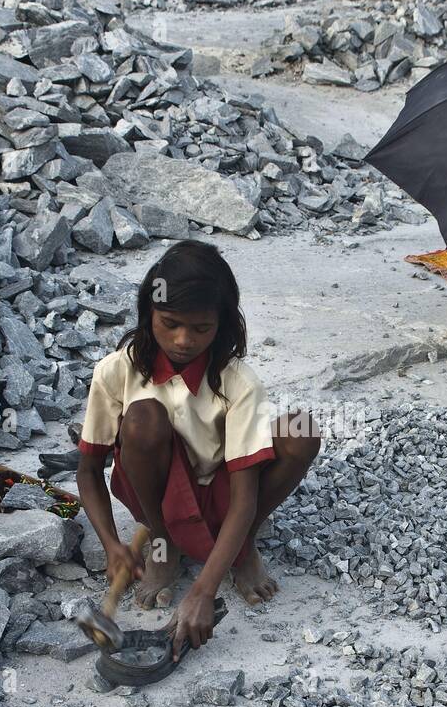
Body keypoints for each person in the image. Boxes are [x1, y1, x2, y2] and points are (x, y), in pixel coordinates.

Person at [75, 240, 320, 658]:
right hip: (154, 492)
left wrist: (204, 591)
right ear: (147, 312)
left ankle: (241, 548)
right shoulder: (116, 371)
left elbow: (243, 498)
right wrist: (113, 544)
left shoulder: (239, 382)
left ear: (221, 325)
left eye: (201, 329)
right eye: (169, 323)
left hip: (220, 494)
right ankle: (163, 541)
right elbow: (88, 469)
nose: (184, 340)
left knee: (302, 429)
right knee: (143, 417)